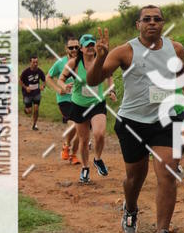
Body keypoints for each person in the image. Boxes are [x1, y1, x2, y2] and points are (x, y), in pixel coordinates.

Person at [88, 5, 184, 233]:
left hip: (165, 120)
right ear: (137, 24)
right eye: (146, 19)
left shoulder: (175, 49)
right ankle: (131, 207)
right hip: (133, 123)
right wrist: (100, 57)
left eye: (157, 19)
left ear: (163, 23)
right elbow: (93, 80)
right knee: (134, 178)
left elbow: (182, 76)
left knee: (168, 173)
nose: (152, 23)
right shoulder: (125, 51)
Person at [57, 34, 116, 184]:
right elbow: (61, 79)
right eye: (87, 45)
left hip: (97, 103)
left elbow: (109, 76)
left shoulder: (101, 60)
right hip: (79, 105)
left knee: (99, 134)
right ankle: (85, 168)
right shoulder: (74, 63)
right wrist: (64, 87)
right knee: (83, 140)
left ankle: (97, 159)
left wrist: (111, 90)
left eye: (92, 44)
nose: (90, 47)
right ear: (81, 49)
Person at [46, 36, 81, 164]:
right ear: (66, 49)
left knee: (81, 129)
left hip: (81, 99)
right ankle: (67, 145)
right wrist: (58, 88)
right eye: (71, 47)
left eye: (76, 47)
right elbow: (48, 77)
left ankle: (73, 154)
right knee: (75, 125)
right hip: (65, 99)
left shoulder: (83, 62)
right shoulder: (60, 63)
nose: (74, 49)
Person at [20, 56, 46, 130]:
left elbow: (44, 80)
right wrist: (26, 87)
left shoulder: (39, 71)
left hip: (36, 92)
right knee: (29, 111)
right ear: (30, 62)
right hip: (27, 93)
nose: (35, 64)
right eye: (33, 62)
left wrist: (42, 86)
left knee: (36, 108)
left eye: (36, 62)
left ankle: (34, 125)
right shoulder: (26, 71)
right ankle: (26, 109)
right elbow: (20, 81)